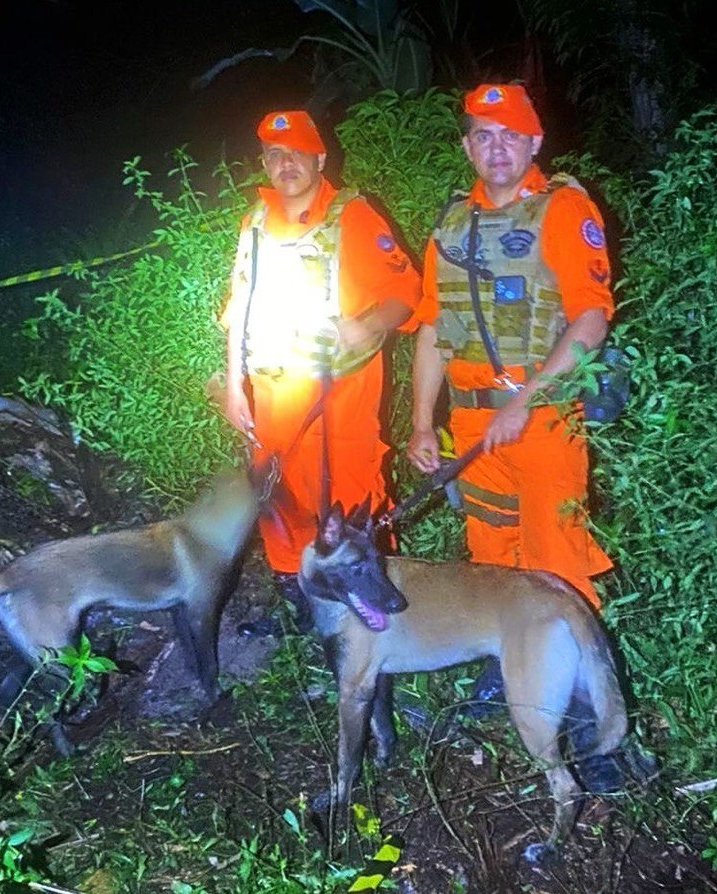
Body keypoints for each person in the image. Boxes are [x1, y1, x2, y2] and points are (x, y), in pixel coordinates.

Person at [406, 84, 615, 704]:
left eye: (511, 135)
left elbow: (591, 321)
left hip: (543, 419)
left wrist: (524, 404)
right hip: (472, 429)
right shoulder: (449, 225)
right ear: (466, 144)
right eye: (483, 135)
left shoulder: (562, 211)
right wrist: (422, 423)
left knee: (556, 567)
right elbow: (431, 332)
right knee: (492, 560)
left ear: (535, 142)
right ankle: (509, 669)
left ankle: (587, 713)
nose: (497, 149)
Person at [216, 109, 421, 636]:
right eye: (273, 155)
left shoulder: (352, 217)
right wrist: (234, 385)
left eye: (296, 153)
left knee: (351, 505)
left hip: (340, 399)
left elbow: (407, 292)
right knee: (279, 502)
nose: (284, 164)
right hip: (271, 394)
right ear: (263, 162)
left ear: (320, 159)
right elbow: (239, 306)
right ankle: (298, 603)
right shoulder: (255, 224)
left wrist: (365, 325)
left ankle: (372, 611)